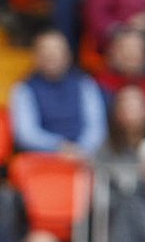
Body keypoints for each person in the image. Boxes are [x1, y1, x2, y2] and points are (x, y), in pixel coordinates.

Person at [9, 30, 107, 158]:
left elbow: (96, 128)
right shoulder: (24, 89)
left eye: (57, 51)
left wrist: (81, 149)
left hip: (85, 155)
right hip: (42, 158)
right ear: (35, 56)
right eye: (46, 52)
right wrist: (58, 146)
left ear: (68, 55)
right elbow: (25, 133)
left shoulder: (85, 84)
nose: (52, 56)